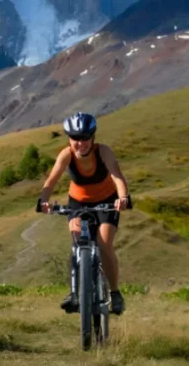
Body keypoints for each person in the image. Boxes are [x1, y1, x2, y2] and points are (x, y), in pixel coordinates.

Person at [37, 112, 131, 315]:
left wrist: (122, 198)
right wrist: (43, 200)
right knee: (77, 244)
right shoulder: (66, 155)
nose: (81, 143)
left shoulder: (103, 152)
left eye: (85, 138)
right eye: (75, 139)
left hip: (107, 201)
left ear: (93, 137)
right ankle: (75, 293)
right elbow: (51, 181)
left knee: (105, 245)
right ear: (69, 139)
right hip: (78, 202)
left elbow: (117, 176)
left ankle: (115, 293)